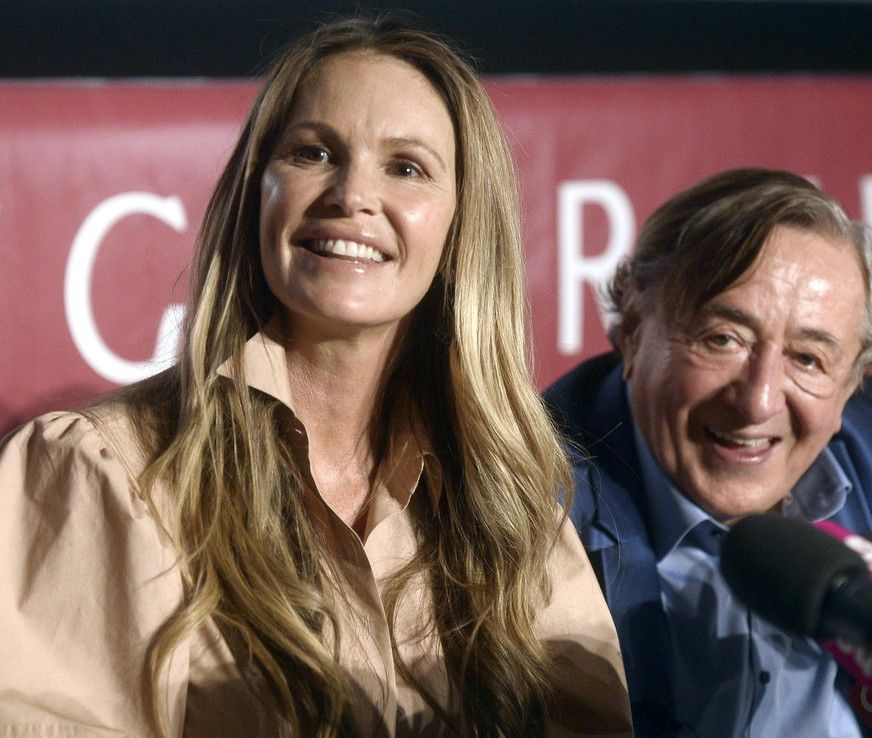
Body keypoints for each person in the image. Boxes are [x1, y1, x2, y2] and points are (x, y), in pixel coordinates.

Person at [0, 17, 631, 737]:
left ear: (462, 224)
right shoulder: (103, 471)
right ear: (256, 192)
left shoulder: (509, 503)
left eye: (406, 167)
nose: (352, 194)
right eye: (314, 153)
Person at [544, 168, 872, 738]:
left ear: (852, 383)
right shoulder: (529, 511)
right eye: (723, 339)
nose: (758, 401)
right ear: (631, 331)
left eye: (808, 359)